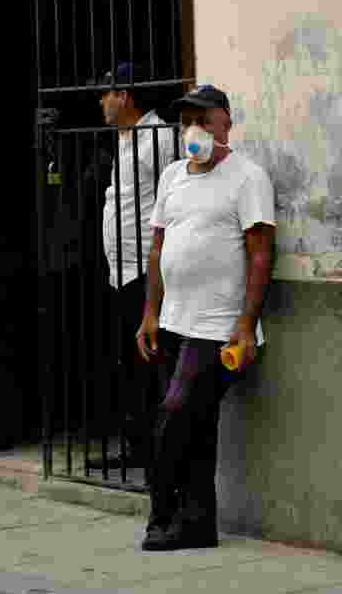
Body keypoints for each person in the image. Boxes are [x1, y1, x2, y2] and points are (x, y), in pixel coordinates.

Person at [137, 85, 276, 550]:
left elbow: (260, 255)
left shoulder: (247, 177)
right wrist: (150, 313)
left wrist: (245, 325)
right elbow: (158, 248)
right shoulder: (173, 176)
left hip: (217, 330)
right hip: (172, 322)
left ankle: (161, 513)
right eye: (186, 121)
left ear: (225, 124)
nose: (192, 129)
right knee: (195, 424)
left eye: (202, 119)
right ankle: (197, 526)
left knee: (175, 414)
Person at [88, 62, 175, 472]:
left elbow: (173, 195)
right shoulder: (125, 139)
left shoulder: (155, 138)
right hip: (120, 270)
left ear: (125, 96)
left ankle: (157, 450)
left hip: (144, 269)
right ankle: (138, 445)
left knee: (149, 361)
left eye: (106, 93)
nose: (101, 101)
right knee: (128, 363)